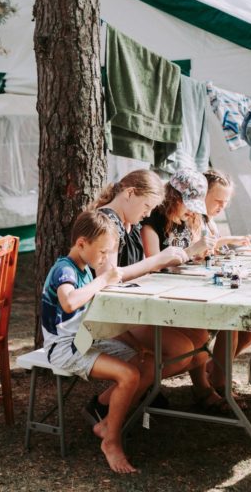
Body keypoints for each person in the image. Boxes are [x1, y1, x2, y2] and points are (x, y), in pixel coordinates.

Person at [41, 210, 152, 474]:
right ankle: (111, 442)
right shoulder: (64, 269)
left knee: (145, 362)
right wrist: (103, 280)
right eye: (102, 253)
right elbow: (69, 301)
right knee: (129, 375)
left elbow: (95, 316)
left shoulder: (84, 269)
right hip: (65, 348)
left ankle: (108, 421)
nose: (104, 259)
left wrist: (133, 343)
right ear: (81, 244)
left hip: (85, 338)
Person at [90, 170, 193, 421]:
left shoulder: (129, 223)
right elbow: (108, 277)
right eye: (146, 206)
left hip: (130, 307)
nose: (148, 214)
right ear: (129, 193)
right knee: (183, 350)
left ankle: (140, 392)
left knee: (197, 341)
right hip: (108, 313)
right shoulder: (107, 223)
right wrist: (156, 261)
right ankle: (105, 406)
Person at [140, 169, 223, 413]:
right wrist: (191, 251)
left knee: (203, 332)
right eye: (188, 205)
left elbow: (186, 257)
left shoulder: (184, 219)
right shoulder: (152, 222)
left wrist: (200, 254)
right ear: (174, 198)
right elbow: (152, 264)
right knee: (197, 337)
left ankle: (203, 386)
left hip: (182, 289)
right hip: (159, 297)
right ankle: (140, 386)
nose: (192, 211)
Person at [203, 169, 251, 404]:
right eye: (218, 201)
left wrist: (229, 241)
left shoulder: (209, 221)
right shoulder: (192, 217)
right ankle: (219, 378)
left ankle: (215, 366)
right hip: (201, 293)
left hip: (214, 284)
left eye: (225, 202)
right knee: (234, 318)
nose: (221, 207)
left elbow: (210, 248)